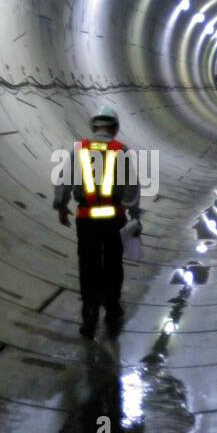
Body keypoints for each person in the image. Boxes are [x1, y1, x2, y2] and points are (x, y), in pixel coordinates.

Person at [53, 103, 141, 338]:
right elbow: (131, 188)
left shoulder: (79, 149)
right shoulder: (120, 150)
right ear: (114, 127)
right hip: (114, 219)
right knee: (113, 264)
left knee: (88, 266)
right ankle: (112, 308)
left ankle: (89, 312)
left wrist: (61, 206)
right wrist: (134, 213)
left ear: (94, 126)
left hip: (86, 220)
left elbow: (64, 180)